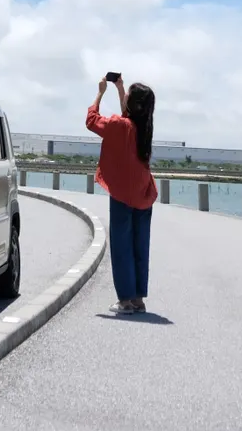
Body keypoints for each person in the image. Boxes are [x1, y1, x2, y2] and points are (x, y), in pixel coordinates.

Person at [86, 73, 157, 315]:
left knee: (122, 246)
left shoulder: (120, 126)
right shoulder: (143, 126)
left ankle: (125, 300)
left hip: (123, 194)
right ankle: (137, 299)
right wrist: (120, 89)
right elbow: (128, 118)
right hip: (143, 193)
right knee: (140, 246)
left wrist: (100, 92)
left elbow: (92, 120)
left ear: (132, 104)